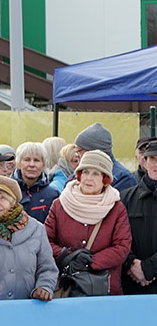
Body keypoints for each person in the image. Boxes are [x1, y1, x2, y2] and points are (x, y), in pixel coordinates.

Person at [44, 150, 132, 296]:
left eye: (96, 173)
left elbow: (122, 246)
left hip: (104, 289)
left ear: (105, 179)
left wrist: (91, 262)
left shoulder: (116, 208)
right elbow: (45, 241)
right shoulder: (60, 204)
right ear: (78, 175)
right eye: (85, 172)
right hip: (67, 287)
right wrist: (69, 257)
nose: (89, 178)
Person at [0, 175, 57, 301]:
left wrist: (44, 287)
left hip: (29, 309)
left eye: (2, 198)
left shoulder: (37, 229)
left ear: (13, 201)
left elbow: (47, 267)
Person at [121, 140, 157, 293]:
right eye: (152, 159)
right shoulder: (126, 198)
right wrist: (131, 264)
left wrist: (148, 268)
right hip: (131, 286)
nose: (156, 164)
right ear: (145, 162)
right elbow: (116, 237)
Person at [74, 122, 136, 192]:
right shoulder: (75, 175)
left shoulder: (123, 179)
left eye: (79, 150)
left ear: (93, 152)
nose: (76, 154)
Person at [10, 141, 60, 223]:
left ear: (43, 165)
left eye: (36, 160)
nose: (32, 164)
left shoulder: (53, 195)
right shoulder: (7, 191)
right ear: (18, 164)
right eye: (27, 160)